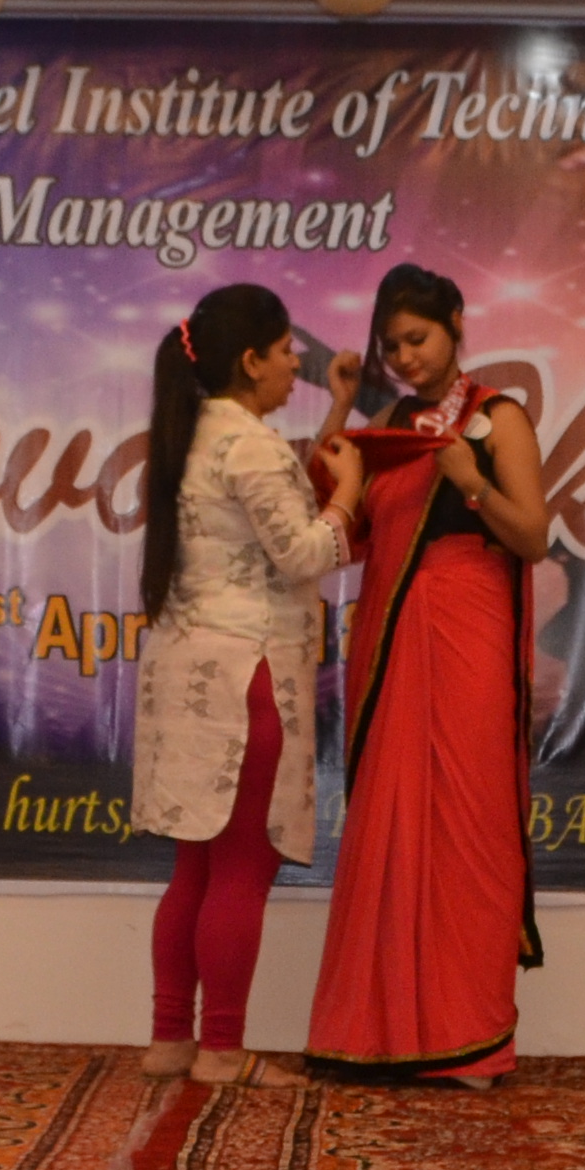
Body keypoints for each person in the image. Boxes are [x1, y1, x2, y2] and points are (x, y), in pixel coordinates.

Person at [306, 265, 548, 1085]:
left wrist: (473, 486)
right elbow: (338, 519)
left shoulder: (498, 417)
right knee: (391, 824)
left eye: (418, 339)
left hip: (469, 630)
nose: (406, 357)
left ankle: (470, 1035)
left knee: (470, 823)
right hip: (394, 632)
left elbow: (534, 536)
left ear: (456, 324)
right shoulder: (389, 423)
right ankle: (379, 1034)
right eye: (393, 346)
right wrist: (341, 406)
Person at [127, 283, 360, 1085]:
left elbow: (279, 513)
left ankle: (171, 1040)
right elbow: (301, 551)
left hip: (189, 673)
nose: (298, 365)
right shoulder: (251, 444)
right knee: (239, 870)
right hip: (246, 678)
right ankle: (222, 1050)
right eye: (288, 350)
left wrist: (337, 416)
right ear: (251, 360)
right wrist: (353, 493)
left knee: (195, 869)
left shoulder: (192, 434)